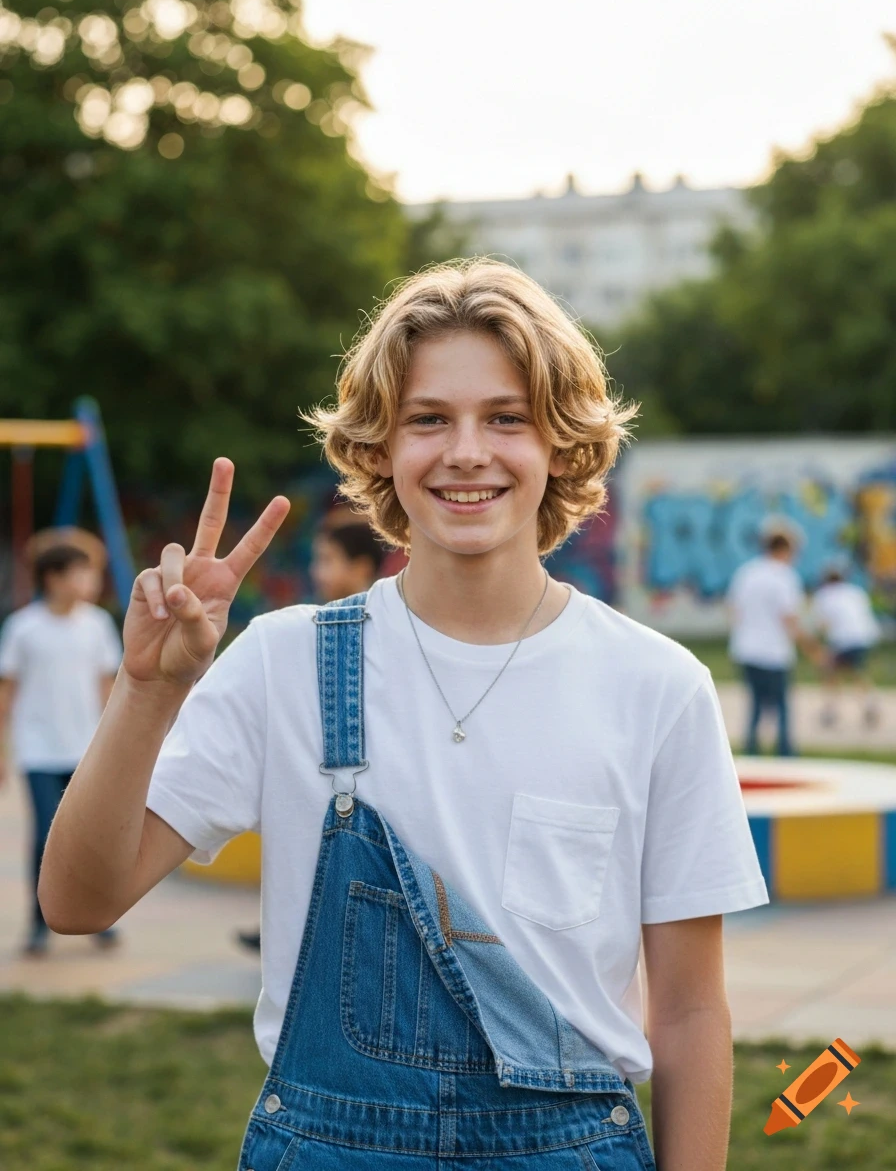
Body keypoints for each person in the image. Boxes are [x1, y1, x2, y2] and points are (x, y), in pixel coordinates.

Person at [39, 260, 769, 1170]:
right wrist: (149, 692)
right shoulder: (284, 661)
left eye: (506, 417)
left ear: (562, 443)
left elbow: (693, 1010)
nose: (467, 450)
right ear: (380, 449)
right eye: (430, 419)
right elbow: (76, 901)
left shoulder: (658, 686)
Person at [235, 519, 387, 954]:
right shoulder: (306, 628)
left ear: (361, 567)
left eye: (327, 560)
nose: (317, 571)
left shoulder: (376, 628)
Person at [0, 541, 123, 955]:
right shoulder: (23, 627)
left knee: (93, 839)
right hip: (37, 751)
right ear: (53, 578)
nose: (89, 582)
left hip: (87, 751)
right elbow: (7, 695)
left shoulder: (97, 625)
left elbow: (108, 691)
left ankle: (97, 915)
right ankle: (39, 923)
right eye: (80, 573)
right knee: (44, 837)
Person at [726, 528, 818, 756]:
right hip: (774, 652)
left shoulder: (746, 572)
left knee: (755, 704)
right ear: (785, 549)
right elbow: (789, 618)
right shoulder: (784, 576)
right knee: (781, 707)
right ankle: (785, 753)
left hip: (746, 648)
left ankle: (751, 752)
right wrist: (810, 647)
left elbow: (733, 609)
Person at [810, 562, 882, 729]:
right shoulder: (855, 592)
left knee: (830, 672)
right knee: (856, 672)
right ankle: (869, 704)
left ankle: (830, 710)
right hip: (864, 637)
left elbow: (822, 624)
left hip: (843, 639)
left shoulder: (825, 595)